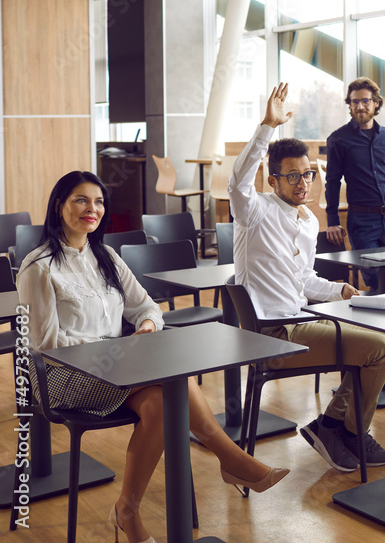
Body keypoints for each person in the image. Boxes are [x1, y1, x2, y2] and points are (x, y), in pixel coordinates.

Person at [19, 171, 288, 543]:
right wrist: (112, 351)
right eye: (80, 200)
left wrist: (145, 327)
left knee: (164, 400)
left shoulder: (106, 256)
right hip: (65, 374)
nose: (91, 209)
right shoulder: (39, 266)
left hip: (119, 366)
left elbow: (147, 307)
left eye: (98, 201)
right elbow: (46, 345)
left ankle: (127, 511)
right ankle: (233, 460)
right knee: (170, 381)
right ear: (58, 206)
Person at [231, 82, 385, 474]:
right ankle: (343, 430)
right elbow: (237, 180)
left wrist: (339, 288)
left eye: (307, 175)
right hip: (272, 332)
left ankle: (336, 427)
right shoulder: (253, 213)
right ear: (272, 181)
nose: (303, 183)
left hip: (300, 319)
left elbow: (305, 279)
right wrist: (267, 127)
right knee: (380, 350)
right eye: (292, 177)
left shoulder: (307, 220)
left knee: (384, 342)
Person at [325, 77, 385, 294]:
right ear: (349, 105)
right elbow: (332, 182)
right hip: (363, 221)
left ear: (376, 103)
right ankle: (375, 325)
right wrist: (332, 221)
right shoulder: (338, 139)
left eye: (365, 101)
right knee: (373, 278)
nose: (359, 106)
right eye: (354, 102)